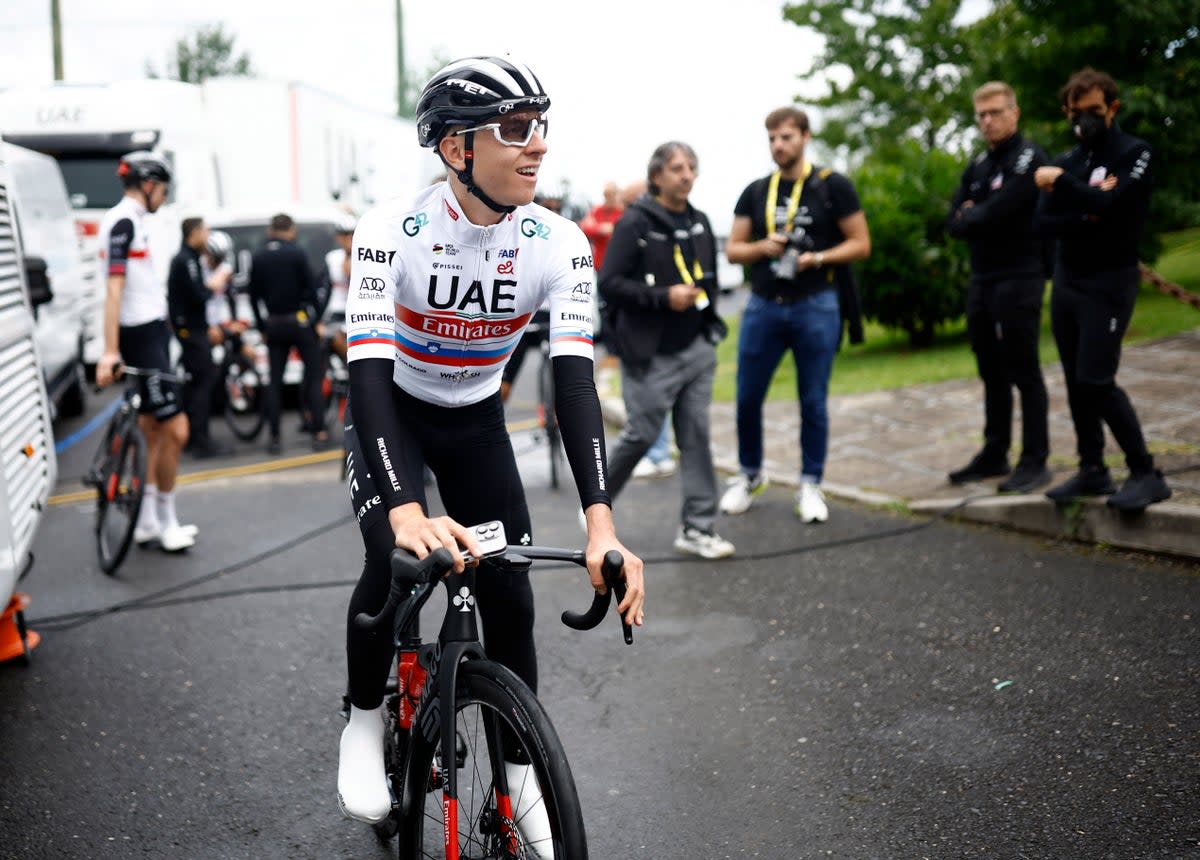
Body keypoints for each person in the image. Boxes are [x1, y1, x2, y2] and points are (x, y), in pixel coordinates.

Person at [335, 57, 645, 847]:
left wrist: (601, 524)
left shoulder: (561, 242)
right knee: (390, 562)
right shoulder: (389, 232)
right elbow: (365, 373)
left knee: (510, 598)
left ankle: (517, 781)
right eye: (514, 129)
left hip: (474, 419)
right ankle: (366, 721)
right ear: (455, 150)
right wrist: (405, 509)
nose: (535, 146)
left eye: (540, 126)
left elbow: (575, 386)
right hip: (393, 411)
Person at [721, 106, 871, 522]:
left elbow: (860, 244)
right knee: (747, 397)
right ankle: (749, 475)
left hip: (816, 303)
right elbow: (733, 249)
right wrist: (762, 248)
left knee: (813, 400)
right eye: (772, 138)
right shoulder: (756, 190)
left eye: (786, 137)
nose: (778, 145)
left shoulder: (831, 185)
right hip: (765, 305)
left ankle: (810, 483)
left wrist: (817, 257)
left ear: (805, 137)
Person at [1033, 68, 1172, 511]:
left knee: (1097, 379)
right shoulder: (1070, 159)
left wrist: (1064, 186)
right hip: (1069, 282)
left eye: (1093, 111)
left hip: (1109, 283)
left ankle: (1146, 472)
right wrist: (1086, 209)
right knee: (1076, 380)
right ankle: (1092, 469)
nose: (1084, 120)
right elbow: (1043, 222)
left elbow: (1113, 206)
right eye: (1076, 113)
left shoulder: (1135, 153)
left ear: (1112, 108)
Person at [598, 141, 735, 559]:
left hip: (696, 348)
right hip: (650, 354)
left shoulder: (700, 221)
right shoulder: (635, 223)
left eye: (692, 166)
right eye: (677, 168)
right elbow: (610, 284)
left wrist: (704, 314)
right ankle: (595, 507)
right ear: (657, 176)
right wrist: (663, 297)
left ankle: (697, 527)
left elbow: (708, 278)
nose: (687, 174)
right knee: (640, 434)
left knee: (695, 435)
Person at [945, 81, 1052, 493]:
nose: (987, 121)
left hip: (1020, 275)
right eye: (981, 115)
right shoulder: (978, 165)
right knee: (990, 369)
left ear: (1014, 112)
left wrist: (977, 215)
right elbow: (953, 221)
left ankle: (1035, 459)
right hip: (983, 279)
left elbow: (1007, 208)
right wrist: (975, 215)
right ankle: (995, 451)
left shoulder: (1029, 158)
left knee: (1024, 368)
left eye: (995, 112)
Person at [96, 152, 195, 552]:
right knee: (176, 429)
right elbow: (114, 289)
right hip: (141, 338)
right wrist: (109, 351)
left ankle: (148, 520)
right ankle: (166, 520)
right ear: (148, 185)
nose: (164, 197)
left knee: (153, 430)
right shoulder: (123, 221)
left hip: (152, 334)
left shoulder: (133, 221)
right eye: (163, 189)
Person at [247, 213, 328, 454]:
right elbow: (313, 290)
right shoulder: (297, 253)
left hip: (274, 323)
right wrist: (315, 320)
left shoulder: (258, 256)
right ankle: (319, 432)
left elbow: (253, 297)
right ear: (290, 230)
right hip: (299, 321)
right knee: (313, 377)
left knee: (274, 382)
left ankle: (274, 438)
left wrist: (262, 326)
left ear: (271, 231)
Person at [168, 217, 233, 459]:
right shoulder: (186, 260)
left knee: (196, 385)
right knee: (203, 384)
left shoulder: (190, 259)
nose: (207, 235)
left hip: (193, 330)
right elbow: (198, 295)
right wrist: (214, 283)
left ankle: (195, 438)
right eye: (205, 231)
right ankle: (201, 442)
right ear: (193, 233)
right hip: (192, 332)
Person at [320, 212, 356, 363]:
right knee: (327, 339)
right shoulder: (332, 257)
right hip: (336, 312)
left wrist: (350, 254)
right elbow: (325, 289)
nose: (347, 238)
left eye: (351, 234)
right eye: (343, 235)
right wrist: (319, 320)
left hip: (356, 310)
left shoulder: (364, 256)